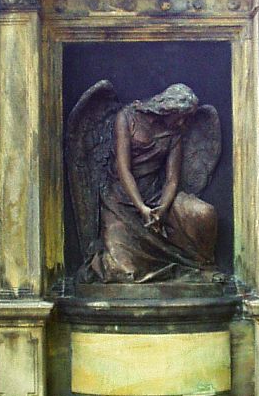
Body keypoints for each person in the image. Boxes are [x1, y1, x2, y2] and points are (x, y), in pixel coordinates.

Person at [85, 84, 218, 283]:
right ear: (168, 108)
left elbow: (172, 179)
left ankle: (205, 265)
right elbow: (124, 169)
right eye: (180, 116)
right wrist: (141, 208)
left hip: (156, 198)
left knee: (204, 213)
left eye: (186, 117)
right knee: (122, 270)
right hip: (121, 202)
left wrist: (161, 209)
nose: (182, 122)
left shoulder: (175, 131)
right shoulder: (127, 118)